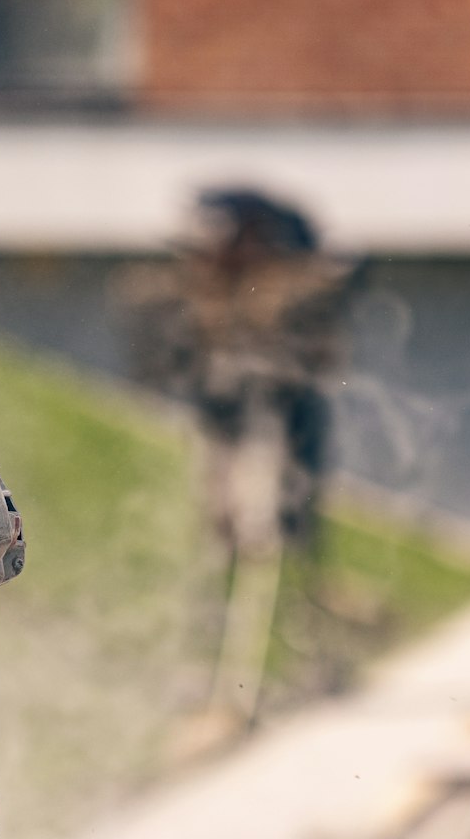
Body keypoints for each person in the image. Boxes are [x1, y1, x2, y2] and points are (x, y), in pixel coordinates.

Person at [123, 189, 353, 565]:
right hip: (222, 412)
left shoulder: (287, 285)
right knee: (220, 506)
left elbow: (308, 347)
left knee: (285, 506)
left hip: (282, 412)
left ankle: (285, 574)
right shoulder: (191, 288)